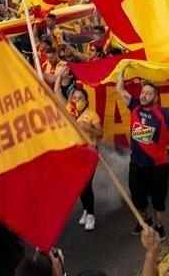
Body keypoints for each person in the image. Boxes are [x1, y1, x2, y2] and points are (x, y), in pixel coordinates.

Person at [116, 66, 169, 238]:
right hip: (136, 163)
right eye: (143, 92)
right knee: (137, 197)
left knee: (158, 199)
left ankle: (159, 226)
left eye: (148, 93)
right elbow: (120, 89)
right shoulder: (134, 106)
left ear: (156, 98)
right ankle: (145, 221)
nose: (143, 95)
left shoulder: (163, 113)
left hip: (158, 165)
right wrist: (121, 73)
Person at [58, 83, 102, 231]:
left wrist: (89, 129)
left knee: (86, 184)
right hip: (75, 152)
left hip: (89, 152)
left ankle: (91, 215)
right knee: (79, 184)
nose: (77, 100)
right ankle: (85, 210)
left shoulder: (92, 115)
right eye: (75, 98)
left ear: (86, 100)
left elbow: (100, 134)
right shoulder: (69, 111)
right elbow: (56, 92)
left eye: (80, 98)